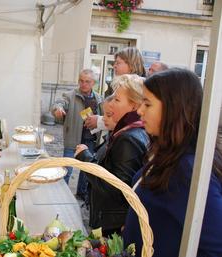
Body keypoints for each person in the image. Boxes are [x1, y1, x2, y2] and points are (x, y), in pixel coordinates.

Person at [123, 68, 222, 257]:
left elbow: (216, 246)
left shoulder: (188, 170)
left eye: (147, 104)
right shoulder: (169, 153)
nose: (139, 110)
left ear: (173, 109)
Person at [75, 74, 149, 236]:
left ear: (134, 106)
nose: (110, 104)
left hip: (112, 226)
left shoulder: (128, 138)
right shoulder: (124, 131)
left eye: (117, 100)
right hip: (108, 220)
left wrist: (85, 158)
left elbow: (118, 188)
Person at [52, 69, 104, 201]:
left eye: (87, 81)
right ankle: (61, 196)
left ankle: (81, 194)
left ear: (93, 83)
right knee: (67, 171)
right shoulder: (70, 95)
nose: (84, 84)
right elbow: (59, 103)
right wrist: (58, 109)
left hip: (90, 141)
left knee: (86, 171)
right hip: (73, 139)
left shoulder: (98, 98)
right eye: (81, 80)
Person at [84, 47, 146, 131]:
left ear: (131, 65)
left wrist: (99, 121)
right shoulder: (122, 85)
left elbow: (125, 120)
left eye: (118, 63)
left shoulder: (139, 88)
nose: (114, 66)